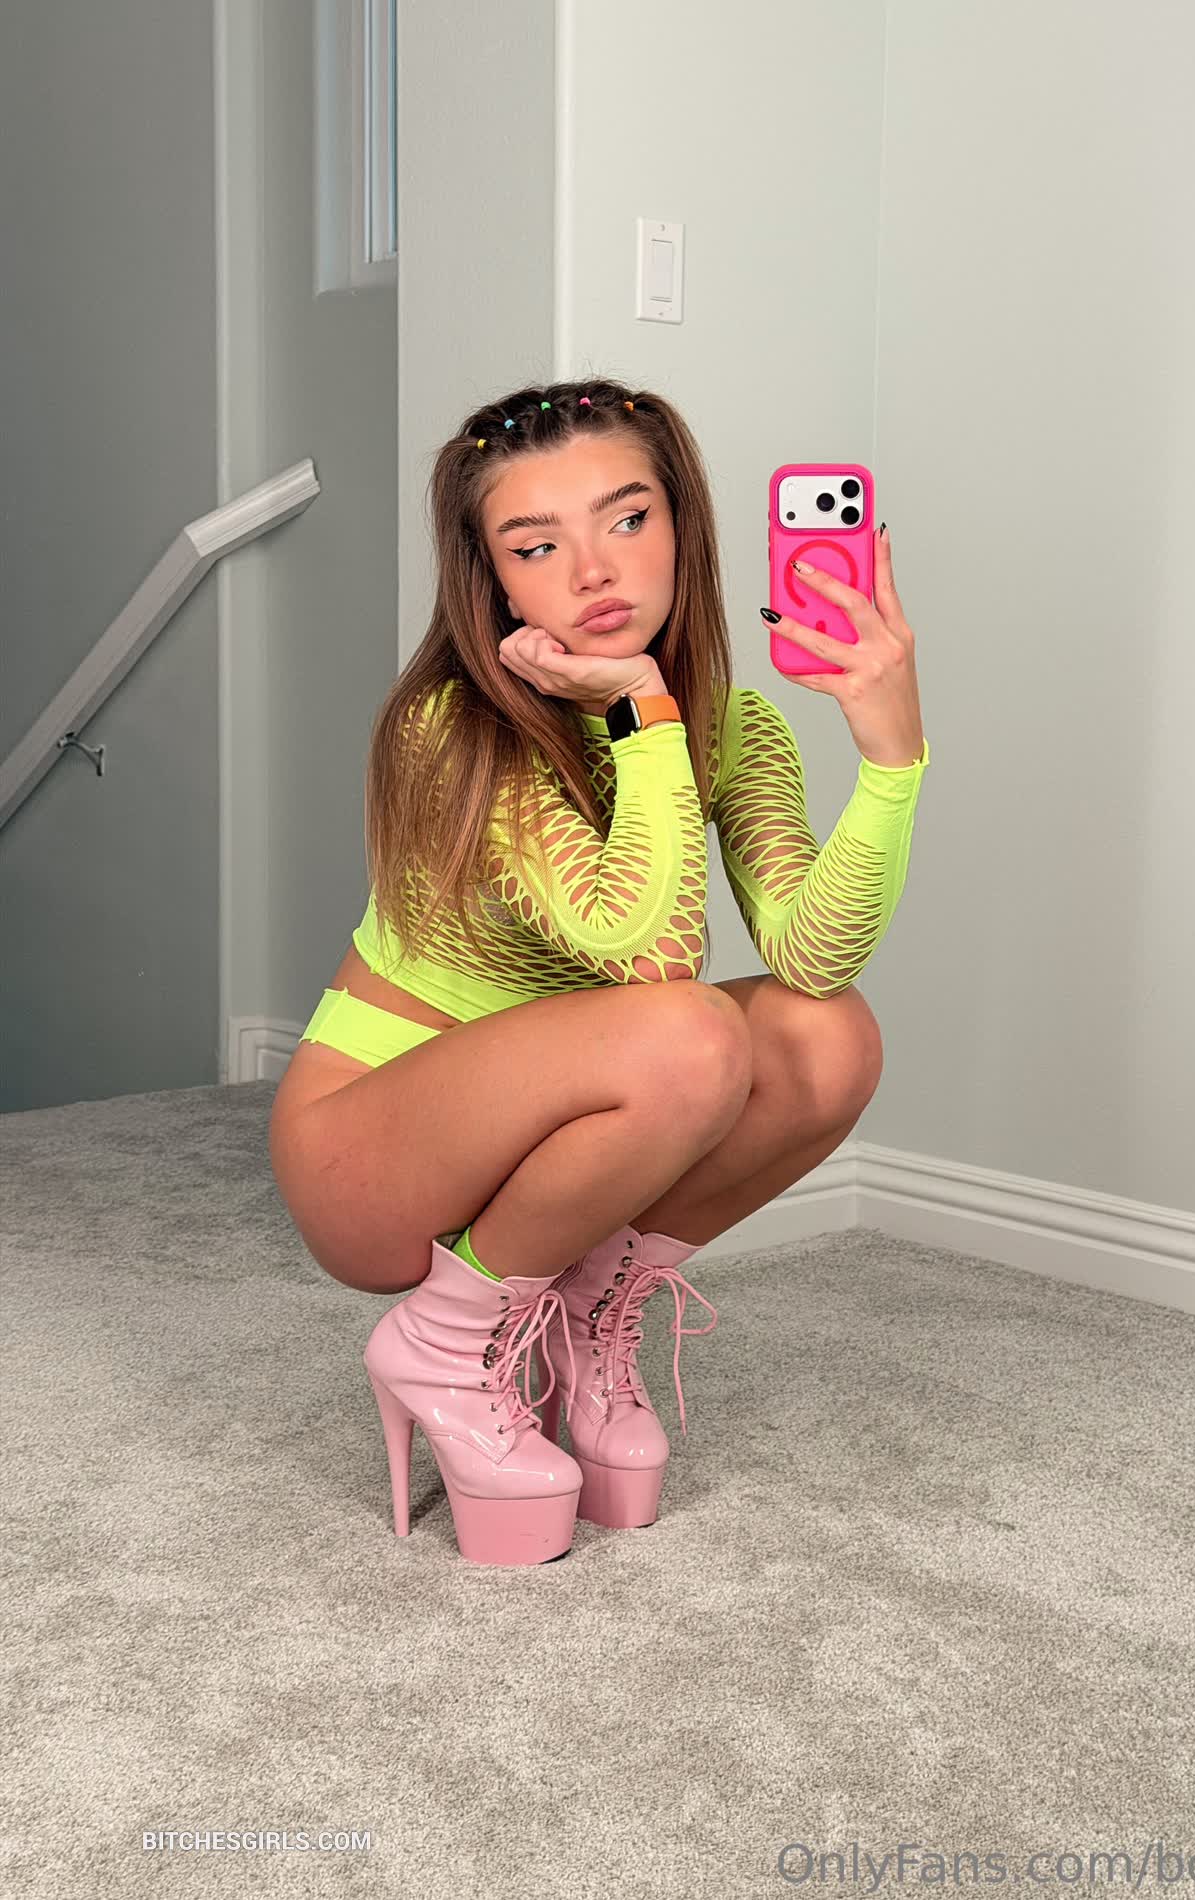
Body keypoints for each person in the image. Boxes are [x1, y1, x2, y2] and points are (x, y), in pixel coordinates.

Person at [267, 378, 931, 1568]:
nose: (593, 570)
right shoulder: (450, 729)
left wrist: (892, 758)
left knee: (827, 1037)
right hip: (370, 1153)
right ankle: (445, 1341)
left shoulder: (731, 727)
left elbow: (811, 954)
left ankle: (582, 1313)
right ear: (494, 581)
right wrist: (636, 704)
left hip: (554, 1145)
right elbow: (651, 951)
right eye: (536, 545)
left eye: (627, 519)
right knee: (688, 1030)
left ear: (682, 524)